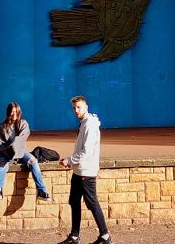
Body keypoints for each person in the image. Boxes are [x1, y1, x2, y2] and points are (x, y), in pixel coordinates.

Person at [58, 95, 112, 244]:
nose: (76, 110)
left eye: (78, 107)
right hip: (79, 171)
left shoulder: (89, 124)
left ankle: (105, 236)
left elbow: (87, 151)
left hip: (86, 172)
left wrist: (69, 160)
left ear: (86, 107)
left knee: (92, 203)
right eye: (74, 108)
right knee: (74, 201)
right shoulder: (84, 123)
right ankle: (74, 237)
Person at [0, 101, 51, 202]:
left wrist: (14, 150)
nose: (14, 114)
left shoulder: (24, 124)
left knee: (33, 160)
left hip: (20, 152)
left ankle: (41, 191)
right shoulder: (2, 126)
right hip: (5, 153)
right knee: (2, 165)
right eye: (12, 111)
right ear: (8, 112)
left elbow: (21, 139)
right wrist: (7, 153)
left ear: (19, 112)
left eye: (16, 111)